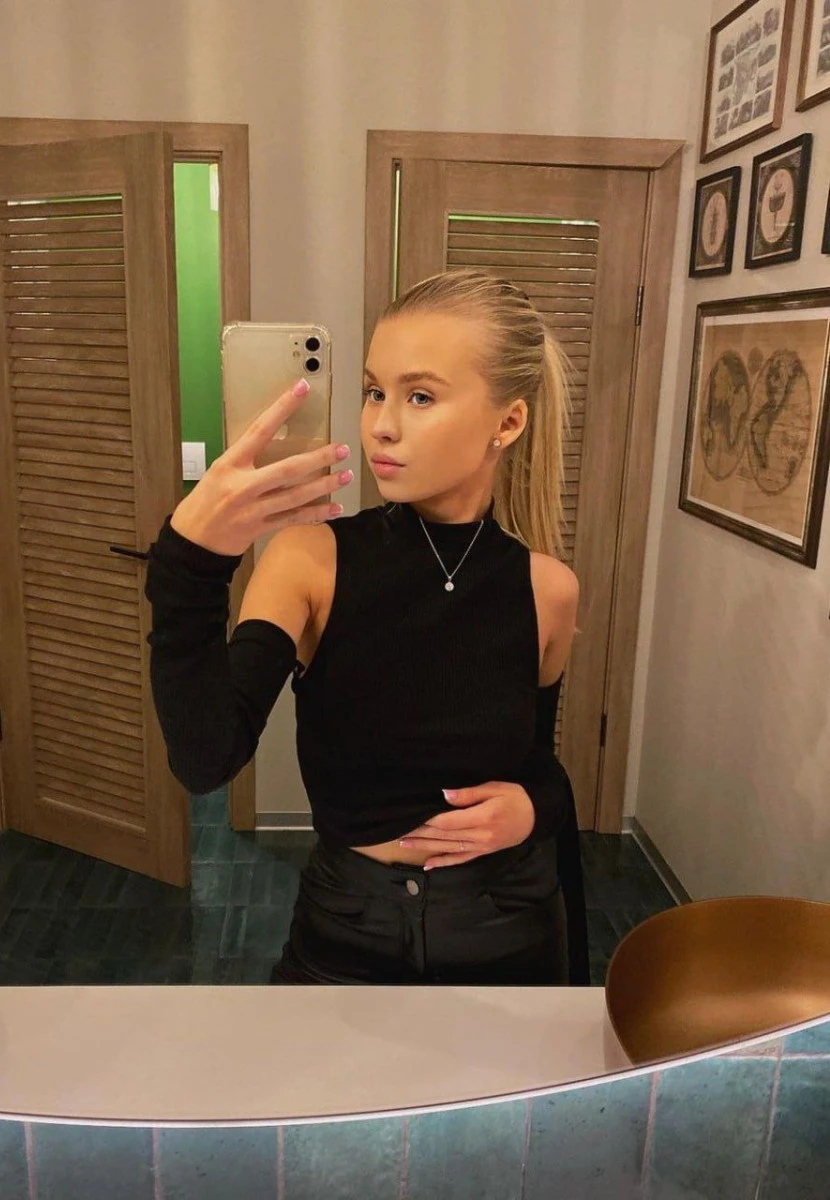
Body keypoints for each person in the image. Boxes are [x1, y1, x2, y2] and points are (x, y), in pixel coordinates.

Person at [145, 268, 585, 986]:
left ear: (507, 423)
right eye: (375, 391)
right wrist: (190, 564)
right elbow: (205, 757)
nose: (381, 423)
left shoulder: (548, 590)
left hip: (509, 928)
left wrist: (536, 807)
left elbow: (538, 760)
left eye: (420, 396)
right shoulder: (309, 560)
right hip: (349, 929)